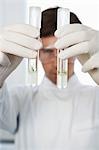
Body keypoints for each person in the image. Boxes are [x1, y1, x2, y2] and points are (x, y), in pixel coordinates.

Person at [0, 7, 99, 150]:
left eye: (64, 50)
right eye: (47, 52)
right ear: (37, 53)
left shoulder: (95, 98)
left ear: (79, 51)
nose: (56, 61)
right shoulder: (19, 98)